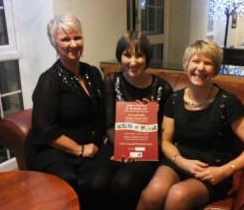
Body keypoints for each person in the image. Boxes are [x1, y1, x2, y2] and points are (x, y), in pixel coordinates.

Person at [137, 39, 244, 210]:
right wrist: (181, 161)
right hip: (180, 159)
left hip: (213, 168)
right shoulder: (174, 99)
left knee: (178, 196)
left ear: (216, 69)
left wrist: (226, 170)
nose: (200, 68)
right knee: (154, 192)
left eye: (208, 63)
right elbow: (166, 141)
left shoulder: (227, 102)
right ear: (186, 64)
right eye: (195, 61)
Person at [24, 13, 106, 210]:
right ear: (54, 44)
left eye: (77, 37)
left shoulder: (93, 73)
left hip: (90, 146)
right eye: (65, 39)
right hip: (55, 149)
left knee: (103, 180)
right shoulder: (49, 81)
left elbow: (105, 109)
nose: (73, 44)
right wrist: (79, 149)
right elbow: (44, 130)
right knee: (67, 180)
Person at [93, 30, 173, 210]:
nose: (133, 62)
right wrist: (123, 147)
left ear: (148, 57)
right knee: (94, 183)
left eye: (139, 55)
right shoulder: (111, 81)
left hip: (147, 151)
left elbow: (167, 132)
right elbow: (109, 124)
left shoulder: (163, 88)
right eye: (127, 55)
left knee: (124, 184)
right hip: (116, 145)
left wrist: (155, 115)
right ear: (120, 57)